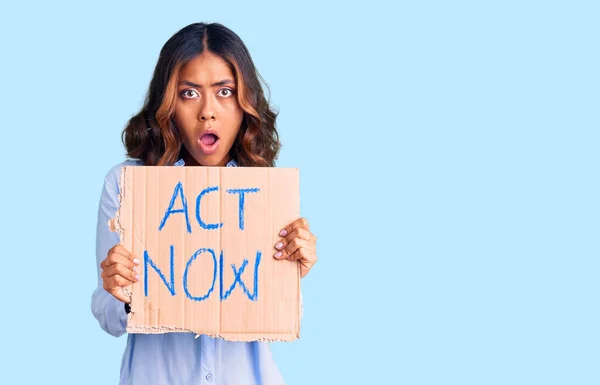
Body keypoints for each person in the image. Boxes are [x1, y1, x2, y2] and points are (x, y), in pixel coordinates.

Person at [91, 22, 318, 385]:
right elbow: (107, 315)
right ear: (168, 104)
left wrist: (290, 275)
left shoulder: (264, 190)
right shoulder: (126, 185)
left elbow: (280, 318)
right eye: (189, 93)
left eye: (225, 92)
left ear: (246, 104)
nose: (207, 112)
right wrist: (120, 293)